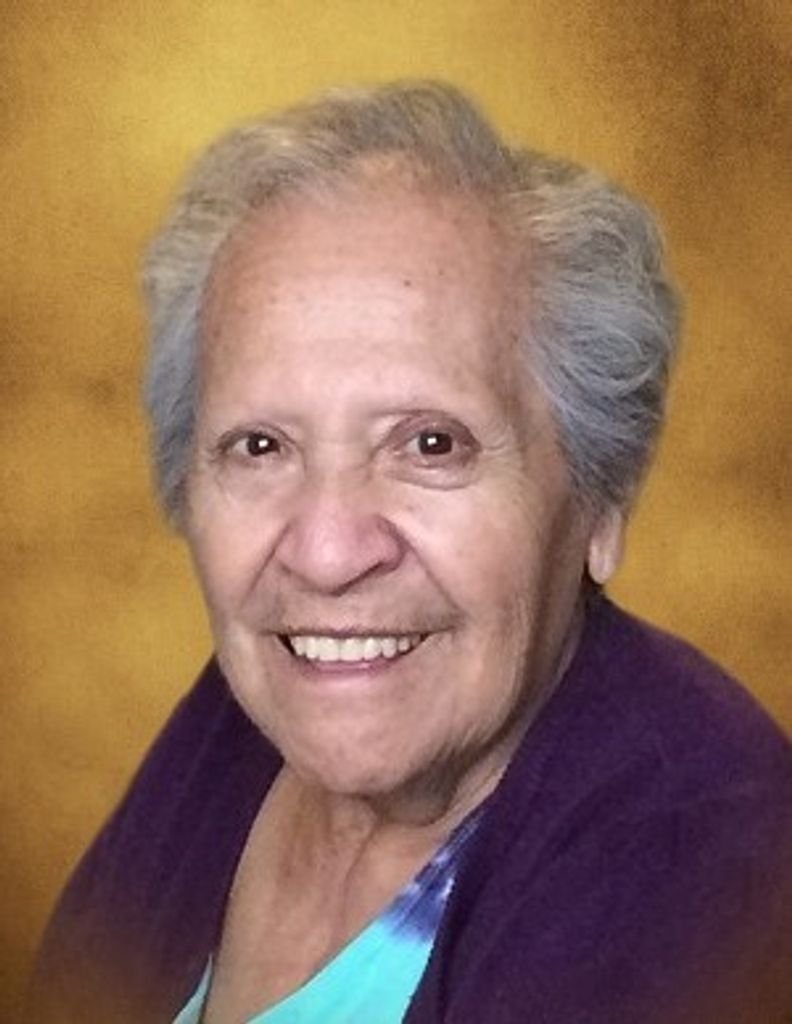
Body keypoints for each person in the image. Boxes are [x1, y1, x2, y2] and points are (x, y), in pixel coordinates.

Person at [31, 81, 791, 1024]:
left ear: (600, 501)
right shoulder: (250, 713)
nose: (326, 554)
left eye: (432, 444)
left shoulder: (700, 864)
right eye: (260, 446)